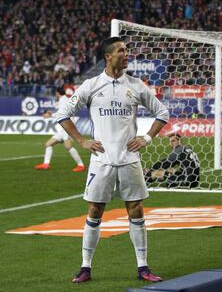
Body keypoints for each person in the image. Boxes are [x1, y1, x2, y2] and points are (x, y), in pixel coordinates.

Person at [56, 37, 169, 283]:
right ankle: (85, 267)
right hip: (101, 161)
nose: (126, 54)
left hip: (130, 159)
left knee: (136, 210)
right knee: (95, 210)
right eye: (121, 50)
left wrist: (147, 138)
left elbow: (163, 113)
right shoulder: (92, 85)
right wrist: (82, 141)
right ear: (108, 56)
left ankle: (143, 267)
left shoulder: (137, 85)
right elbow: (63, 114)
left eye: (126, 50)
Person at [34, 87, 86, 172]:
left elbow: (63, 113)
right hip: (64, 128)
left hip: (67, 126)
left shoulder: (62, 100)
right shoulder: (65, 99)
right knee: (48, 144)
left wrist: (50, 115)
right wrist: (52, 114)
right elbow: (63, 112)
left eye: (56, 93)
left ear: (57, 93)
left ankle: (81, 165)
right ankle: (46, 164)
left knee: (68, 146)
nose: (55, 95)